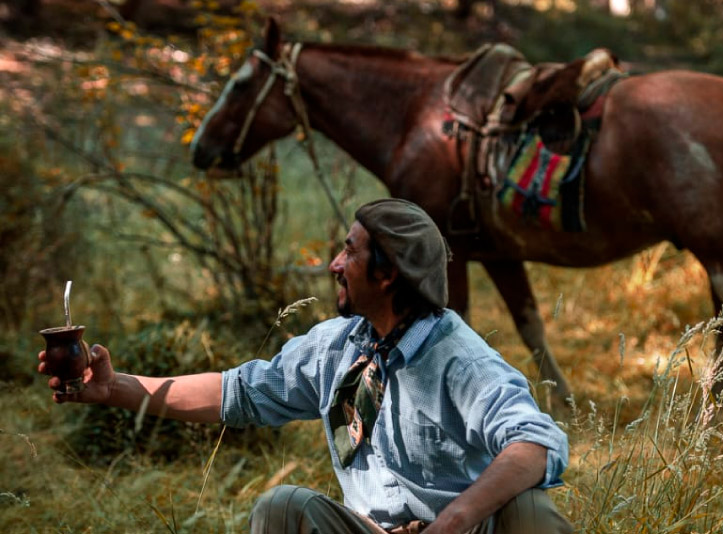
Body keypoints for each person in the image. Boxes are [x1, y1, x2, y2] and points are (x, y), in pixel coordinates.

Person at [38, 198, 573, 534]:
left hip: (457, 530)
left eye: (350, 252)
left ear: (387, 276)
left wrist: (454, 521)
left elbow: (536, 443)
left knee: (531, 514)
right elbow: (237, 393)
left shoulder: (458, 358)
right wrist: (115, 388)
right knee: (282, 507)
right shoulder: (339, 346)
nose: (335, 265)